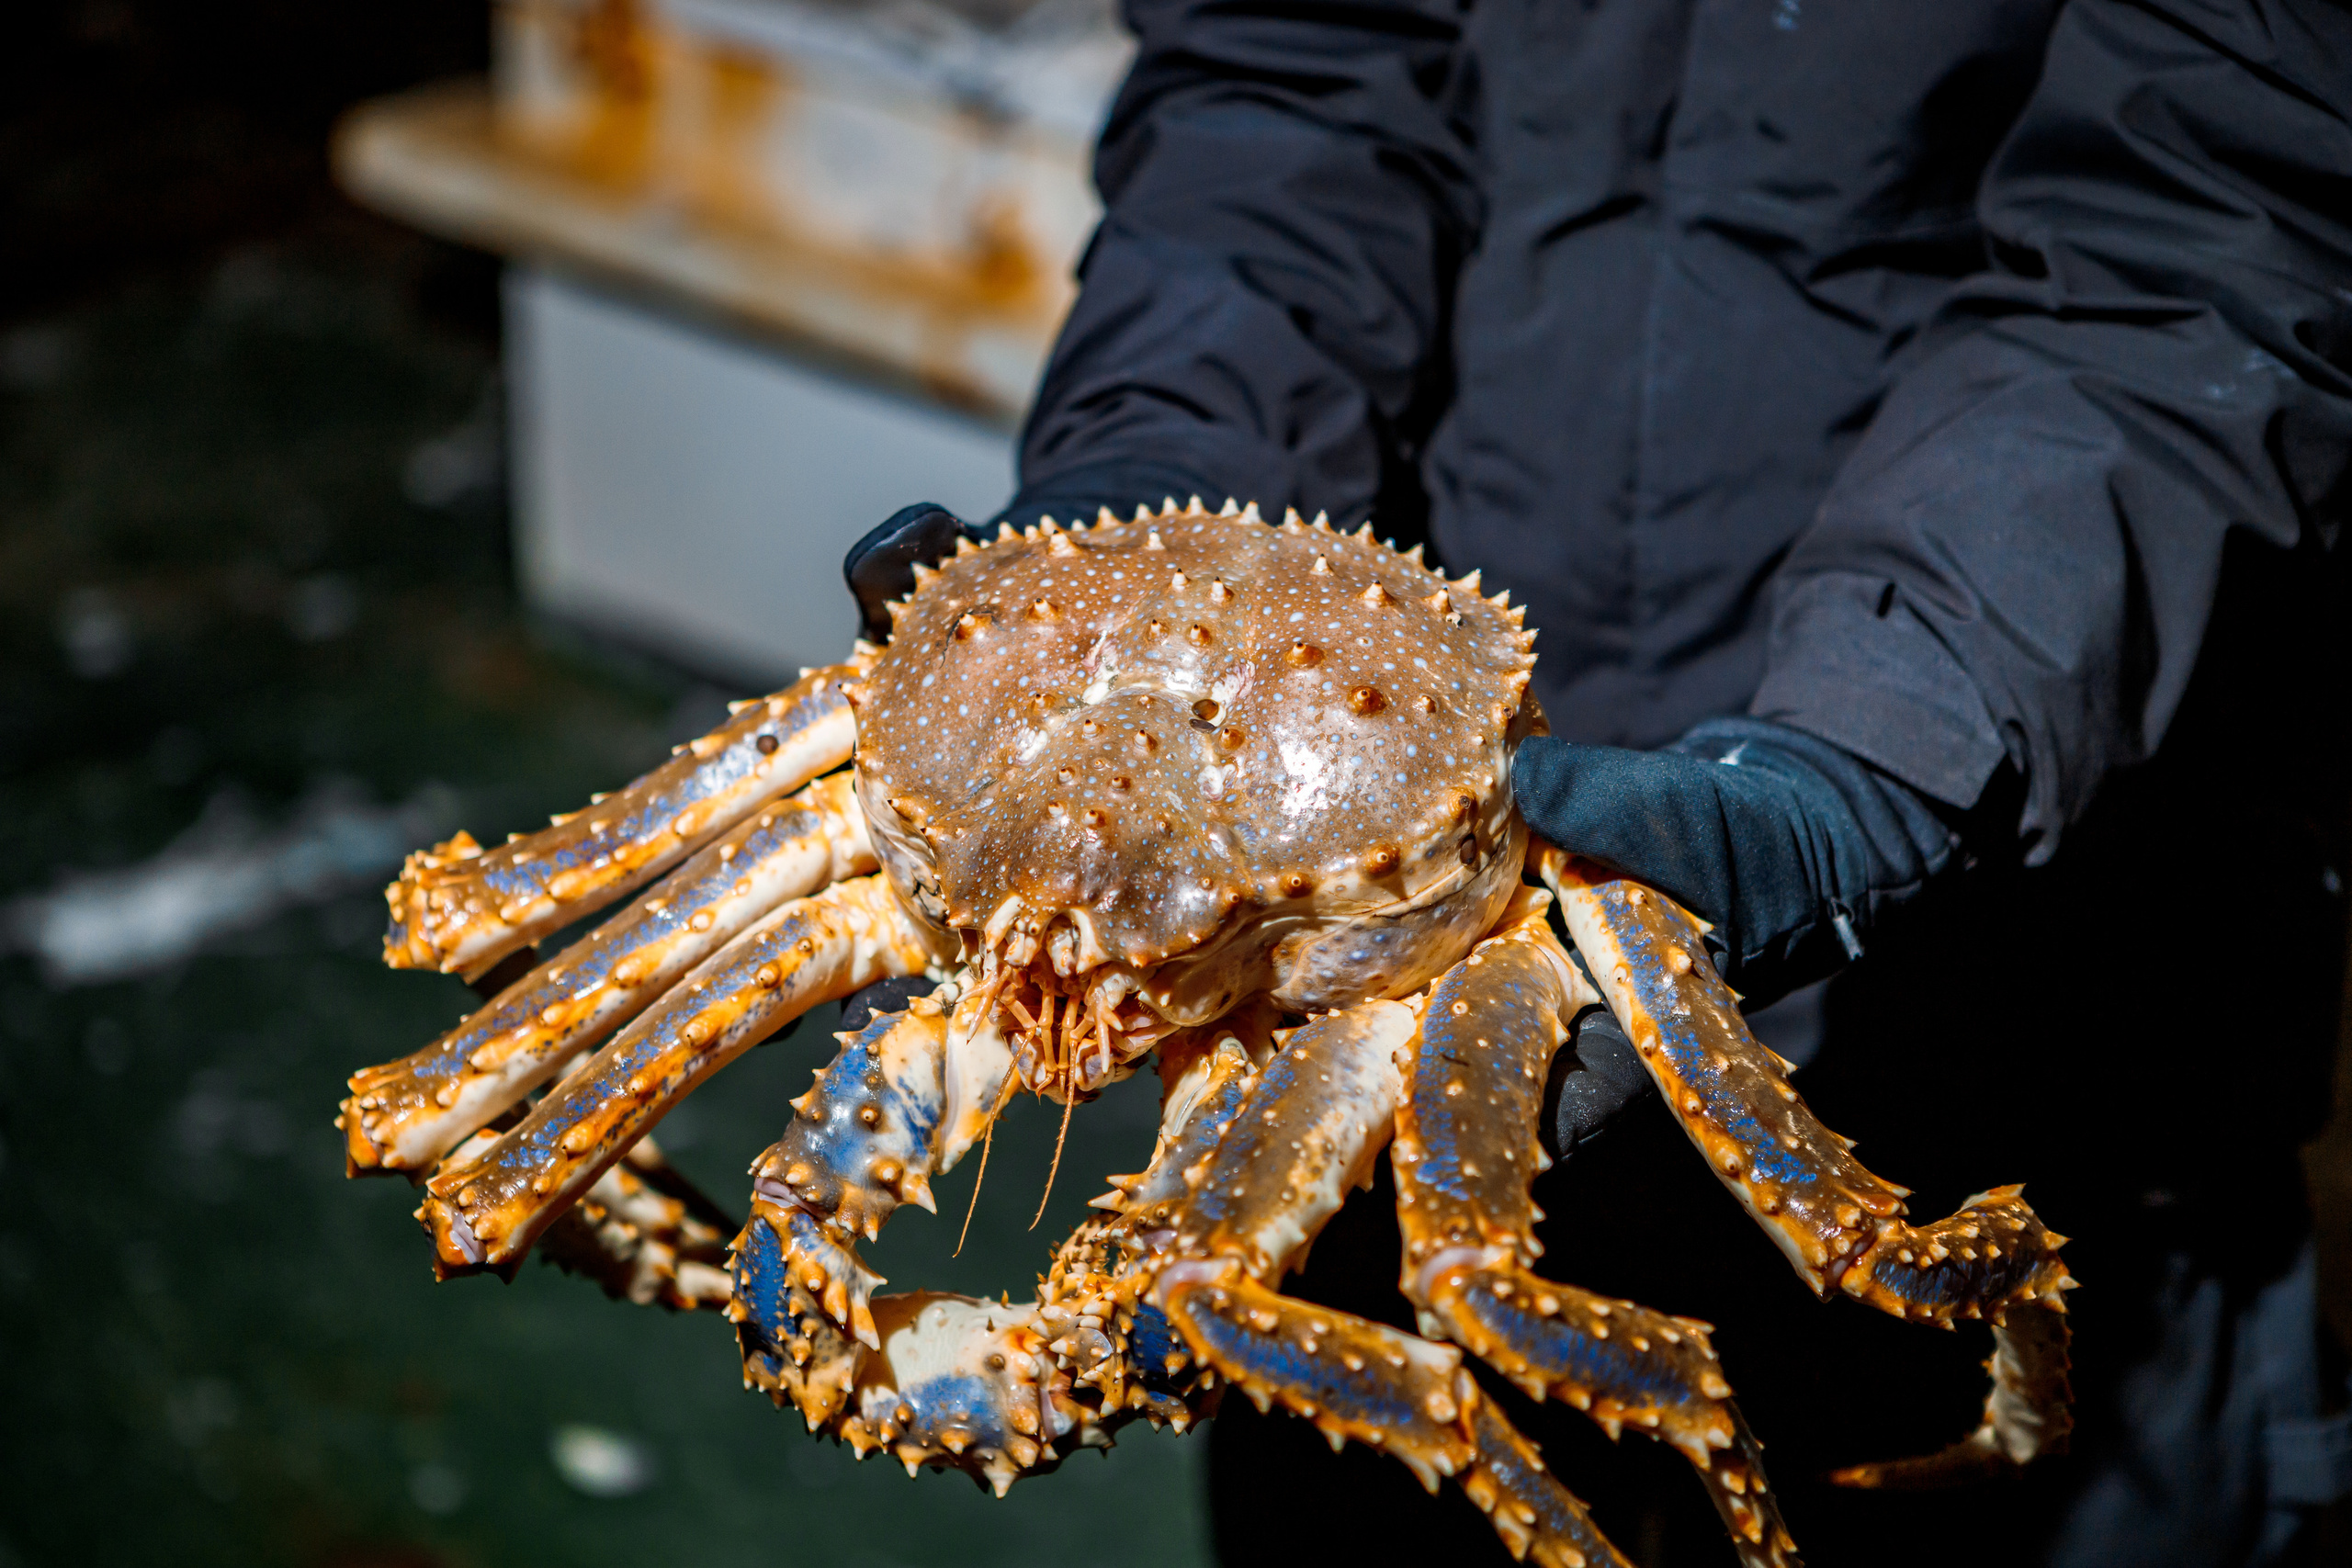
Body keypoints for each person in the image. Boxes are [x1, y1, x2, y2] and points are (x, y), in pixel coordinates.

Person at [837, 2, 2352, 1562]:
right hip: (1347, 887)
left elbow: (2217, 218)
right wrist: (1140, 509)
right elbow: (1288, 59)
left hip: (2047, 909)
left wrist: (1886, 753)